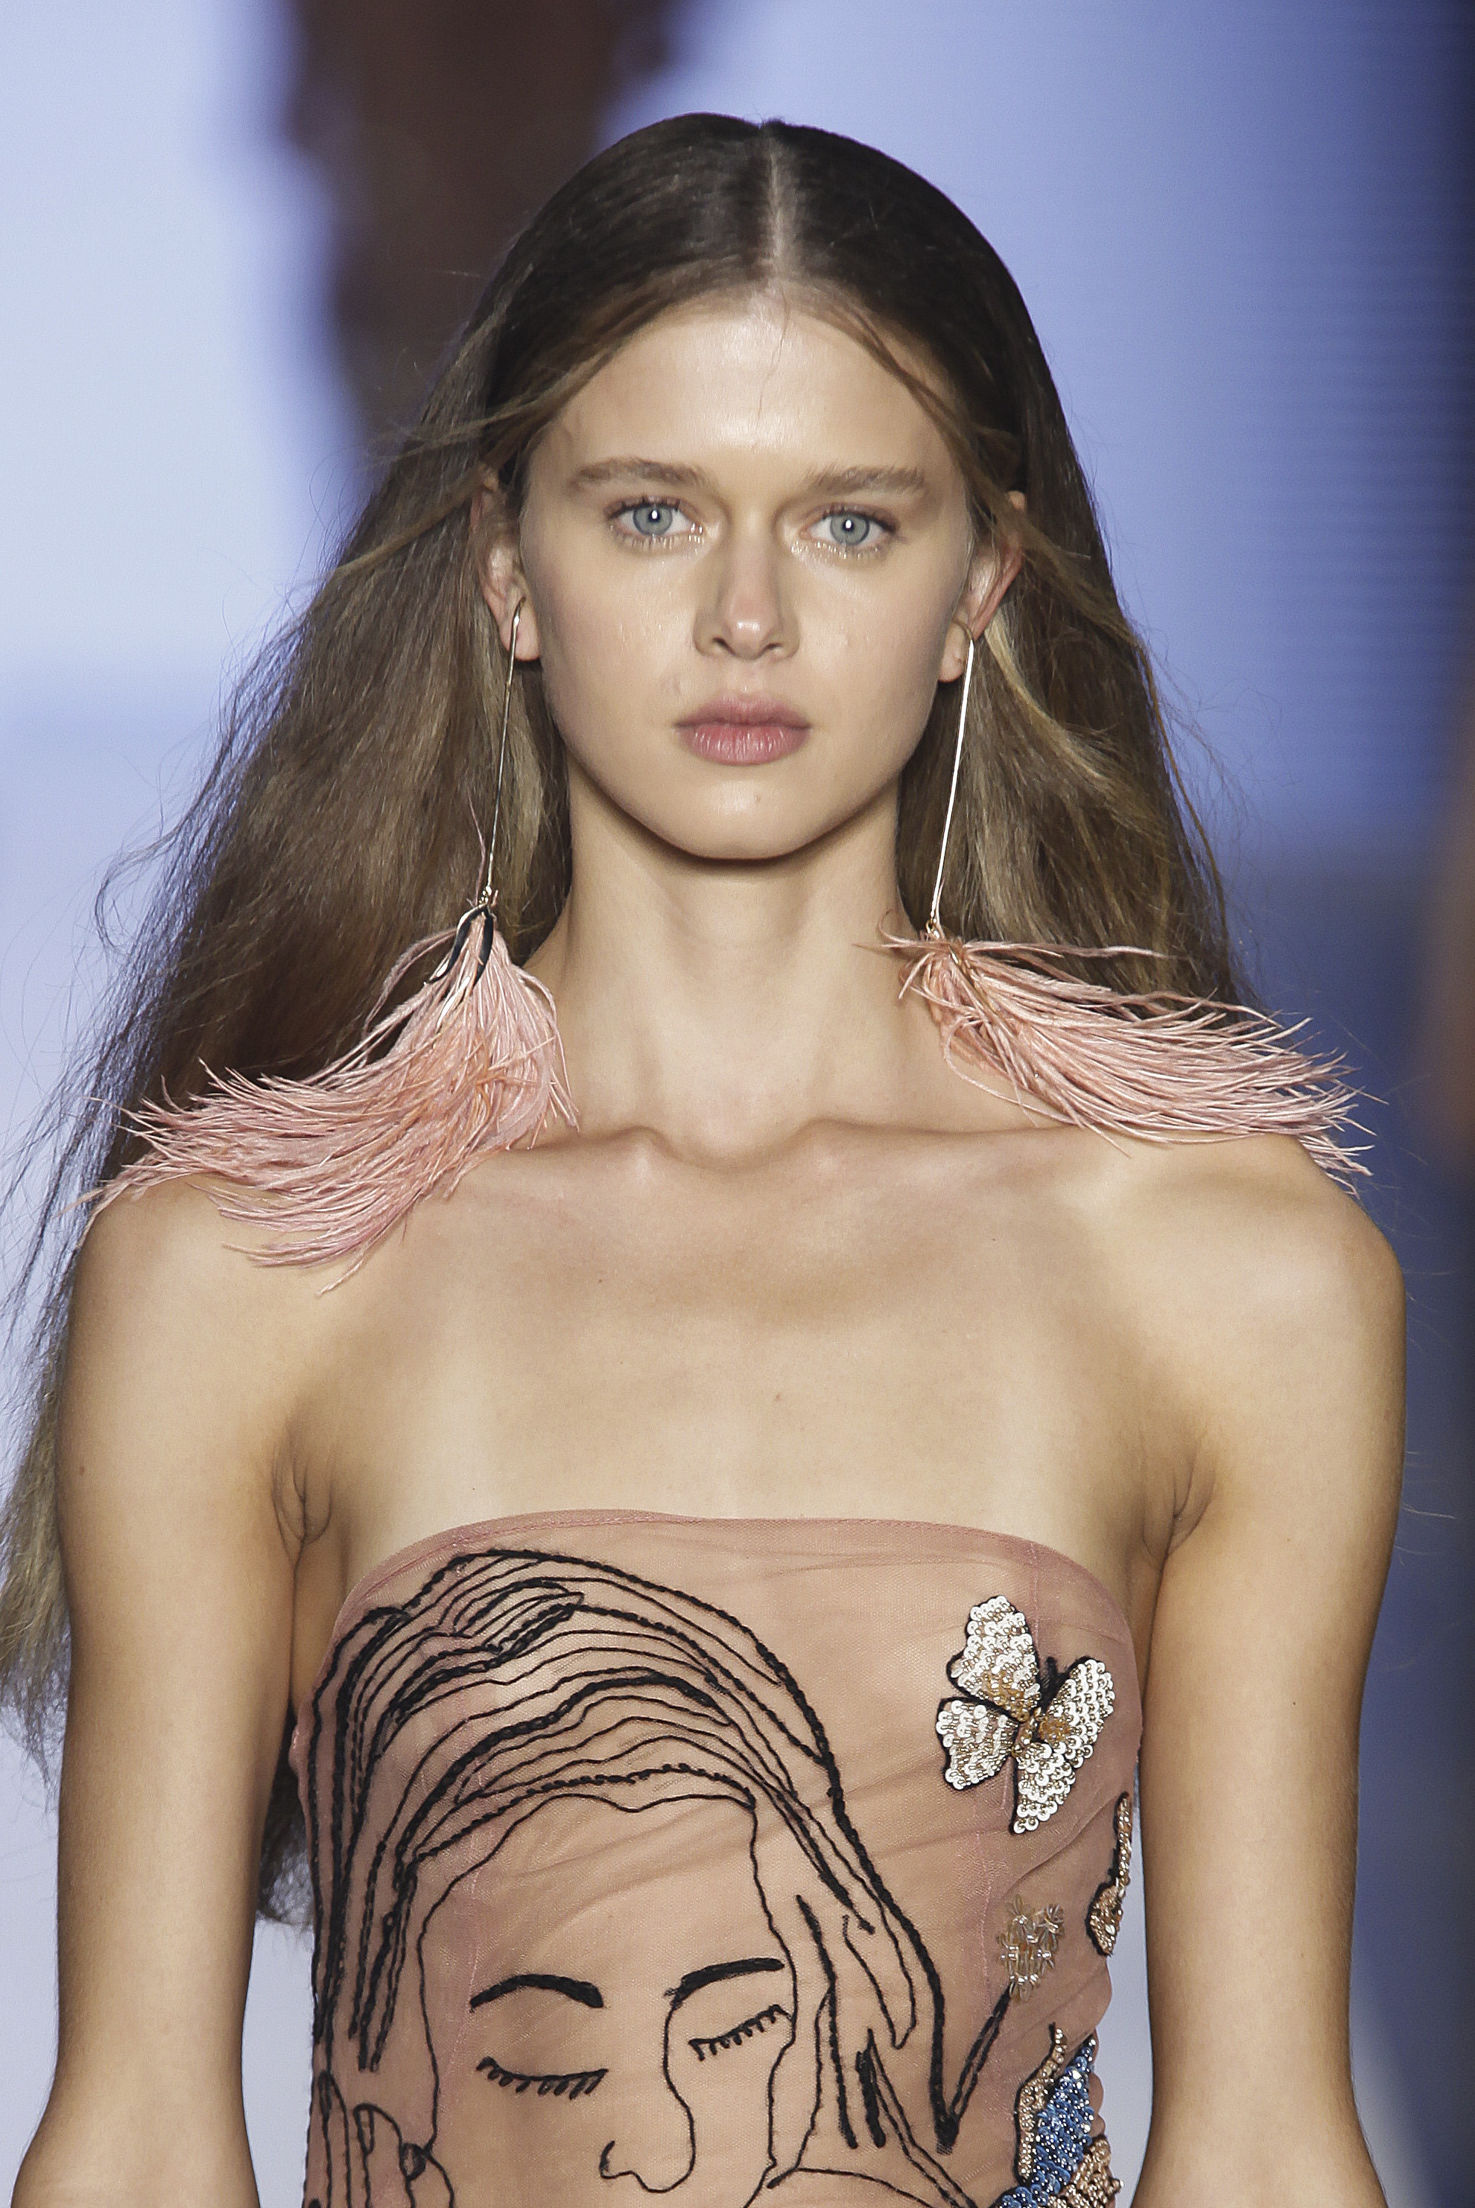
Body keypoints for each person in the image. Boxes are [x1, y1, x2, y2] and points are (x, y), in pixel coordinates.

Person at [3, 115, 1402, 2208]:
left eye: (850, 523)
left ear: (980, 586)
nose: (748, 619)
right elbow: (130, 2138)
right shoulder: (258, 1265)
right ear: (508, 568)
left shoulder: (1229, 1275)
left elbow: (1271, 2143)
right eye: (653, 514)